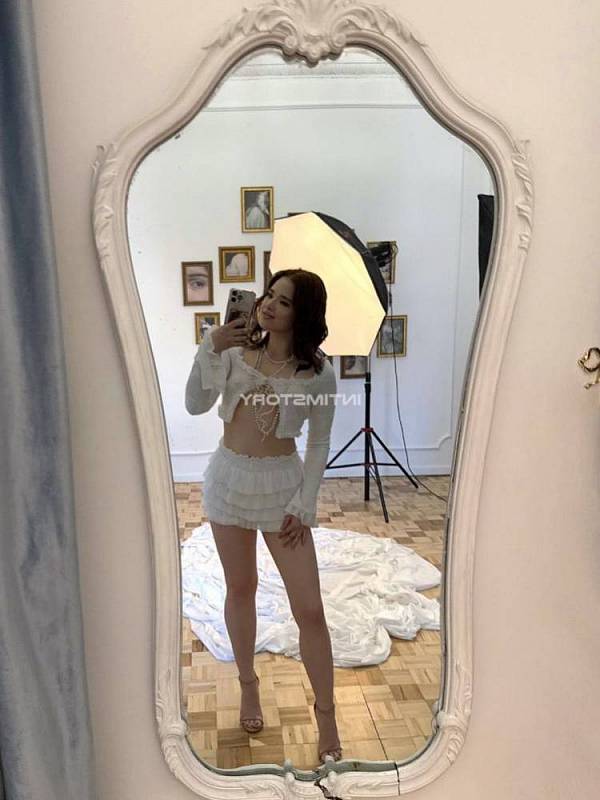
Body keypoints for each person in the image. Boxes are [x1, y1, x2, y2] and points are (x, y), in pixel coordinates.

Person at [185, 269, 341, 764]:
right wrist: (210, 347)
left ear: (304, 314)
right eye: (268, 295)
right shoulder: (233, 351)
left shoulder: (319, 374)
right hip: (229, 480)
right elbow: (194, 405)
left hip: (282, 489)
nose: (268, 305)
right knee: (241, 587)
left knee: (310, 608)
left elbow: (319, 442)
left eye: (284, 301)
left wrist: (305, 503)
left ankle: (327, 714)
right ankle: (248, 685)